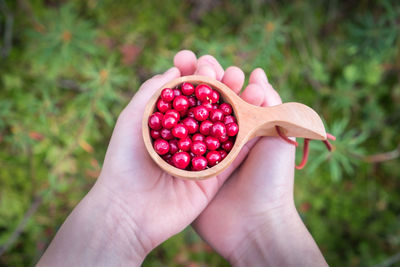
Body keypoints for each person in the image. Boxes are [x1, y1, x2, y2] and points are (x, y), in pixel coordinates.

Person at [37, 50, 328, 266]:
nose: (199, 113)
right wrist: (122, 211)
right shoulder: (182, 127)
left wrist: (264, 220)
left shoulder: (213, 125)